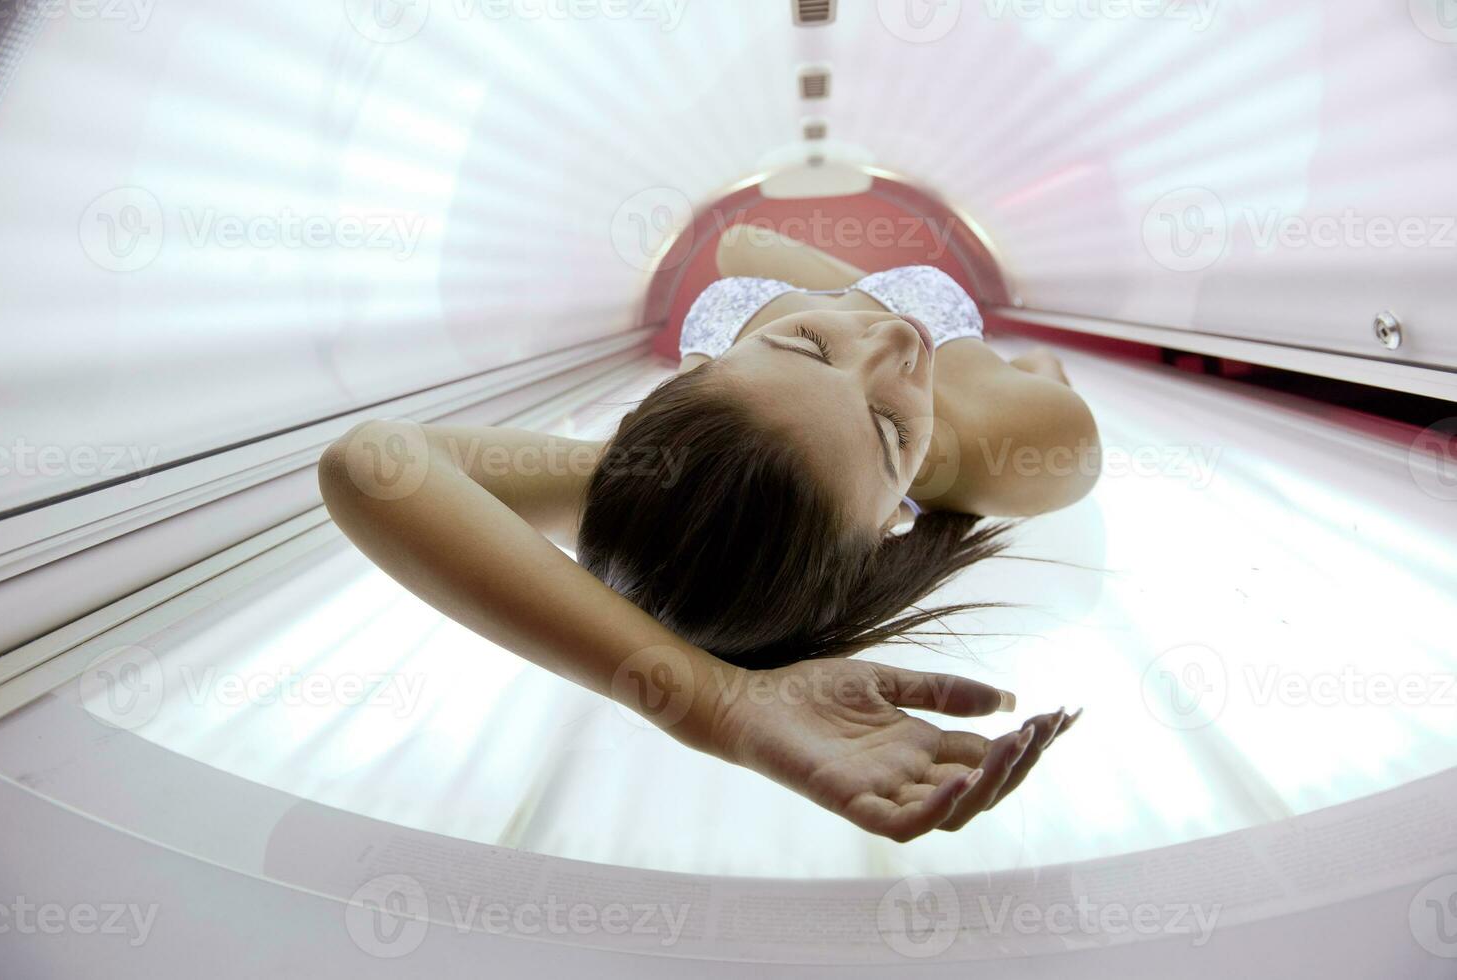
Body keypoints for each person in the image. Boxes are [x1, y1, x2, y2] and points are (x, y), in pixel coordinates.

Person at [319, 224, 1099, 842]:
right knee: (775, 260)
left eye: (808, 348)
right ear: (895, 522)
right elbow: (1027, 379)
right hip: (959, 358)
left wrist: (706, 701)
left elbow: (365, 462)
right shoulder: (1024, 452)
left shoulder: (668, 470)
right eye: (893, 432)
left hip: (753, 301)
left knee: (736, 244)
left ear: (678, 388)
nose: (894, 340)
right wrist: (719, 707)